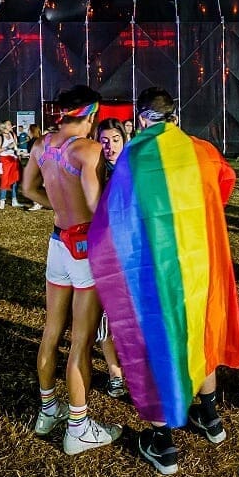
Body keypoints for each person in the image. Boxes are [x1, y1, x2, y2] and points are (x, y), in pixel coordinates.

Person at [88, 87, 239, 476]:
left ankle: (163, 444)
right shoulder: (203, 150)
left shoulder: (134, 157)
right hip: (199, 262)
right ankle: (209, 416)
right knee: (200, 330)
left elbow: (116, 215)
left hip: (154, 268)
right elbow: (225, 184)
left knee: (154, 343)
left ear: (141, 118)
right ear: (174, 114)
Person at [20, 85, 122, 456]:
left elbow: (27, 189)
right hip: (84, 249)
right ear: (91, 115)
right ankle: (78, 428)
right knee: (81, 340)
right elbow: (96, 208)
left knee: (51, 331)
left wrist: (59, 207)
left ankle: (48, 410)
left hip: (58, 242)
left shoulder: (41, 145)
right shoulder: (88, 150)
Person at [93, 117, 129, 398]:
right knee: (106, 319)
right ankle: (115, 374)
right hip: (106, 254)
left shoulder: (135, 170)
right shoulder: (94, 173)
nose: (110, 146)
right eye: (104, 141)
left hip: (132, 255)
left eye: (115, 140)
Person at [0, 121, 24, 209]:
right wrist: (7, 147)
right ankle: (2, 201)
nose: (11, 125)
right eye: (9, 124)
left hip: (13, 159)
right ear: (4, 126)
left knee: (15, 180)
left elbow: (15, 147)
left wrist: (19, 154)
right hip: (5, 160)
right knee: (4, 180)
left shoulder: (13, 134)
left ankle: (14, 200)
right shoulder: (0, 137)